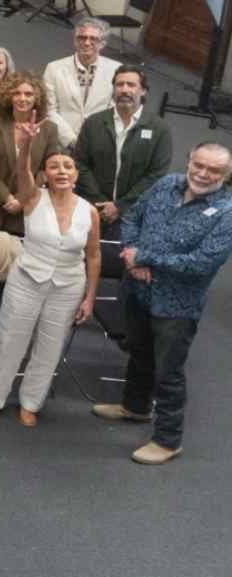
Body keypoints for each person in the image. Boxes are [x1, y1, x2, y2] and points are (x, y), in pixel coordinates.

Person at [93, 143, 232, 464]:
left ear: (224, 176)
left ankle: (169, 441)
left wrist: (147, 258)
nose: (203, 173)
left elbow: (202, 262)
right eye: (199, 164)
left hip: (177, 306)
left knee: (168, 371)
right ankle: (135, 407)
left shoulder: (225, 213)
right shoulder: (167, 184)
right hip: (137, 290)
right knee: (138, 351)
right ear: (190, 161)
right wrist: (131, 253)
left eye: (213, 170)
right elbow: (132, 218)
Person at [0, 146, 99, 427]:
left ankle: (31, 403)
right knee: (9, 339)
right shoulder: (32, 198)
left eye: (67, 166)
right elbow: (22, 170)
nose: (61, 171)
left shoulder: (90, 212)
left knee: (50, 347)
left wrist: (90, 297)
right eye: (54, 166)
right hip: (27, 279)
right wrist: (27, 144)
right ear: (44, 175)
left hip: (68, 287)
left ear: (76, 174)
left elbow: (93, 255)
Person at [73, 64, 173, 238]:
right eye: (119, 85)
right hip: (91, 207)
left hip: (134, 213)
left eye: (131, 85)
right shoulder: (94, 123)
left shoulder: (159, 128)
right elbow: (80, 163)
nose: (124, 89)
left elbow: (157, 174)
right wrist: (99, 202)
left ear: (143, 91)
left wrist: (120, 206)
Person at [0, 72, 61, 235]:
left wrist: (22, 199)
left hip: (27, 210)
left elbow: (46, 170)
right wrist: (7, 198)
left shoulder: (49, 129)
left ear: (37, 98)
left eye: (28, 94)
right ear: (9, 96)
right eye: (17, 93)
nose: (22, 98)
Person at [43, 19, 122, 146]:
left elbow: (115, 110)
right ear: (75, 41)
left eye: (93, 39)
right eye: (82, 37)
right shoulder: (54, 68)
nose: (86, 42)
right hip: (61, 142)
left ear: (102, 43)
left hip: (98, 142)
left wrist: (94, 138)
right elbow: (49, 110)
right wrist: (71, 140)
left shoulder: (116, 70)